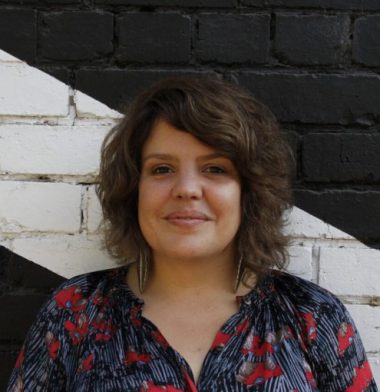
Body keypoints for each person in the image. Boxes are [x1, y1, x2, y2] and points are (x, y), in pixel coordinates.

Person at [7, 77, 377, 392]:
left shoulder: (312, 315)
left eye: (215, 168)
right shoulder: (76, 311)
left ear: (249, 191)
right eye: (162, 168)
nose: (187, 189)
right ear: (133, 188)